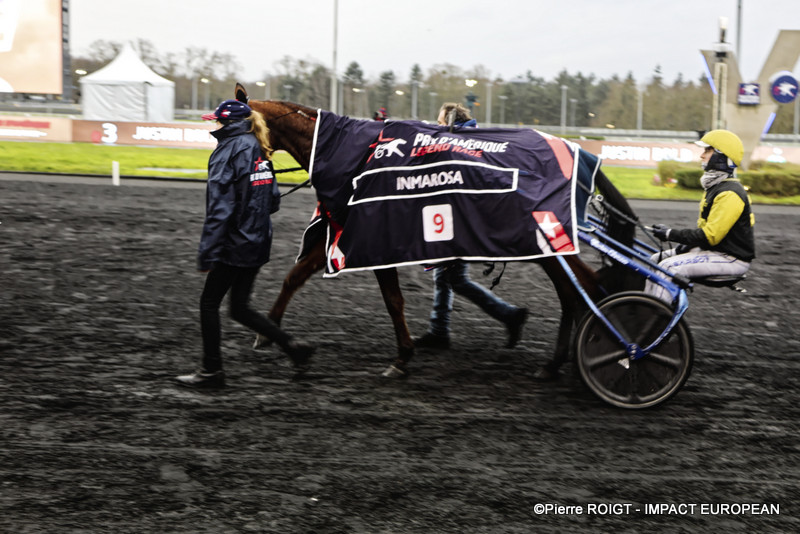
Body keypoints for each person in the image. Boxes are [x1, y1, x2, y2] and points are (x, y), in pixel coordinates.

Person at [176, 99, 315, 388]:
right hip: (259, 240)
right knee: (238, 307)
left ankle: (211, 371)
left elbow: (219, 209)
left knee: (208, 304)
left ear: (226, 123)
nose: (213, 124)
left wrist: (208, 252)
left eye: (216, 121)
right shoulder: (258, 147)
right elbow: (273, 201)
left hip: (233, 244)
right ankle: (292, 346)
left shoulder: (227, 150)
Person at [414, 102, 528, 350]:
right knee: (445, 277)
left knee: (454, 278)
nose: (438, 125)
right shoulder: (467, 138)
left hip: (461, 221)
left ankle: (508, 315)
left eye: (441, 121)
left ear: (451, 121)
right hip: (460, 218)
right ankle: (439, 330)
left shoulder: (459, 142)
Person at [646, 129, 755, 302]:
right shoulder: (716, 187)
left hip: (731, 259)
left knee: (668, 266)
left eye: (707, 150)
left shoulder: (730, 193)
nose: (702, 156)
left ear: (721, 156)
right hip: (716, 252)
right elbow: (705, 232)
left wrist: (670, 234)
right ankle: (646, 305)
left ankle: (654, 318)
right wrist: (684, 246)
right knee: (655, 259)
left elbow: (710, 236)